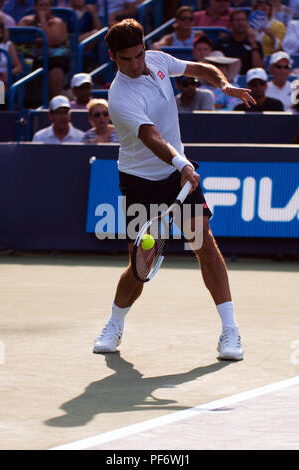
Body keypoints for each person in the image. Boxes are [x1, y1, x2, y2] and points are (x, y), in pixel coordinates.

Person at [92, 18, 256, 360]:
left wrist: (224, 85)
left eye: (138, 55)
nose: (135, 65)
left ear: (144, 48)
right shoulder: (120, 96)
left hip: (177, 172)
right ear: (113, 57)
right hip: (141, 182)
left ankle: (230, 331)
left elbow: (201, 67)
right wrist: (182, 164)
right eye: (126, 60)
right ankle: (114, 323)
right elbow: (152, 137)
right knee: (142, 262)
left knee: (204, 245)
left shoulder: (159, 60)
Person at [18, 0, 70, 99]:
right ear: (35, 7)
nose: (44, 8)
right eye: (41, 5)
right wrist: (38, 40)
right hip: (31, 58)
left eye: (47, 5)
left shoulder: (57, 22)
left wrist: (42, 20)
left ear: (51, 7)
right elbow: (21, 41)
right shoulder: (25, 21)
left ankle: (55, 102)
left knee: (57, 69)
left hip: (53, 58)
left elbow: (50, 41)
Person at [214, 9, 265, 75]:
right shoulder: (221, 43)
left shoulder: (256, 44)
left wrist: (253, 44)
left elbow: (259, 67)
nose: (241, 23)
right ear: (231, 23)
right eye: (237, 20)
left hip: (248, 80)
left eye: (243, 20)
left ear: (247, 22)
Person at [0, 12, 22, 87]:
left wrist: (8, 73)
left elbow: (19, 67)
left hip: (2, 80)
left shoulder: (8, 45)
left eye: (0, 26)